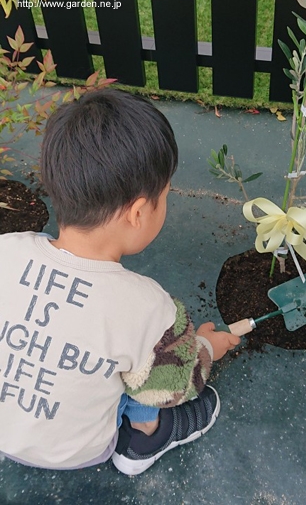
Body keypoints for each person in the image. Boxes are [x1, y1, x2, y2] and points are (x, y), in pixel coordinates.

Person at [0, 89, 240, 476]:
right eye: (165, 197)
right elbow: (172, 387)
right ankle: (145, 438)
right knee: (151, 362)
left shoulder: (5, 250)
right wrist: (206, 349)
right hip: (79, 450)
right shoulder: (148, 307)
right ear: (139, 213)